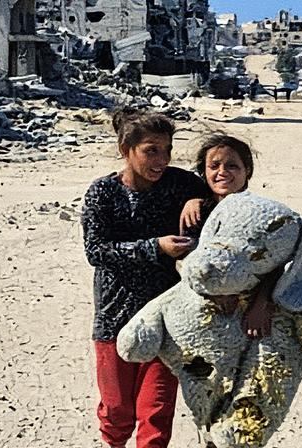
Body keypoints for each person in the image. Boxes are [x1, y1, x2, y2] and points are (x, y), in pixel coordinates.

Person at [81, 107, 208, 448]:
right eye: (151, 150)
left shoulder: (179, 184)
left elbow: (219, 192)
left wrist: (197, 199)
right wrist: (156, 248)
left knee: (156, 414)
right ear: (126, 150)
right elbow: (97, 251)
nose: (162, 160)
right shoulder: (103, 193)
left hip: (166, 320)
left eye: (167, 150)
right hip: (114, 318)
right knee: (117, 412)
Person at [179, 133, 276, 339]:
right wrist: (216, 292)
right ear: (203, 173)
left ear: (247, 170)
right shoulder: (196, 213)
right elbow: (185, 262)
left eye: (232, 166)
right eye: (214, 166)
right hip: (204, 311)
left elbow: (275, 265)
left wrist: (260, 305)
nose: (222, 172)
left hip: (253, 314)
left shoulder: (261, 213)